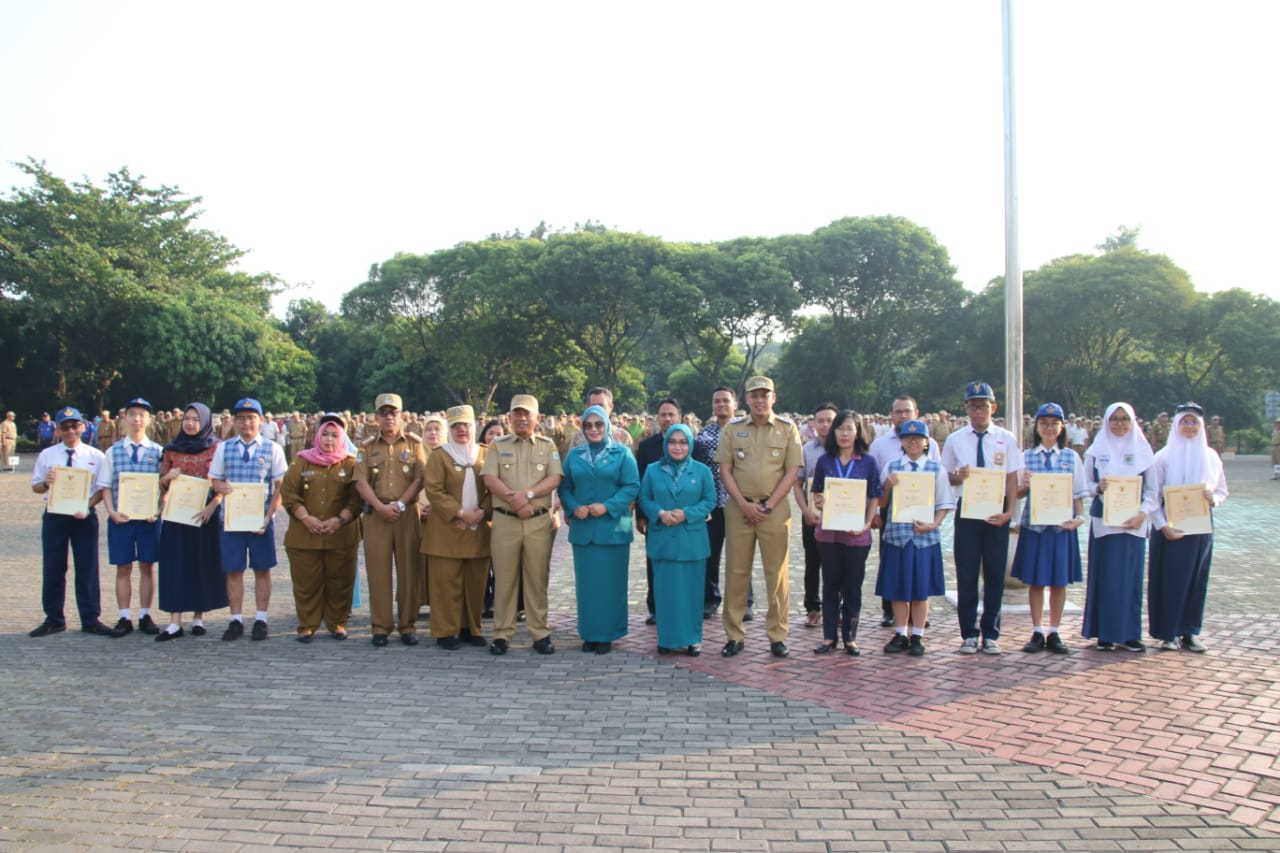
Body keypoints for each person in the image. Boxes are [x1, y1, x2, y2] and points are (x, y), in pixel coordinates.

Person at [716, 376, 803, 659]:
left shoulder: (787, 429)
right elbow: (725, 470)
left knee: (776, 574)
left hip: (774, 510)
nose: (760, 400)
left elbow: (792, 472)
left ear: (773, 398)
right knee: (737, 572)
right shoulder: (733, 428)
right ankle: (734, 635)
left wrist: (767, 505)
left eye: (765, 395)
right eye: (754, 395)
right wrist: (744, 504)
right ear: (747, 400)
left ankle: (777, 635)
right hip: (739, 508)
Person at [941, 381, 1023, 654]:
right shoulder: (955, 439)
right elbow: (945, 477)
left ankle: (990, 633)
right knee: (966, 574)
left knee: (995, 574)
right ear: (966, 408)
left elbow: (1012, 478)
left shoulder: (1006, 438)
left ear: (993, 407)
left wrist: (1010, 512)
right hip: (968, 512)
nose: (978, 411)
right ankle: (968, 633)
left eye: (983, 406)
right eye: (973, 406)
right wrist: (957, 476)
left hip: (996, 511)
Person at [1143, 402, 1229, 652]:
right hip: (1170, 528)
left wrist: (1215, 499)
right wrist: (1162, 526)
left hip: (1200, 526)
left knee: (1196, 580)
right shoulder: (1163, 456)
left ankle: (1189, 631)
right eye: (1184, 421)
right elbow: (1153, 496)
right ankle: (1167, 631)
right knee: (1170, 579)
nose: (1189, 427)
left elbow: (1222, 490)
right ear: (1176, 424)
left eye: (1193, 422)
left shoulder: (1211, 457)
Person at [482, 394, 563, 655]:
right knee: (505, 579)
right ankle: (502, 634)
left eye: (528, 413)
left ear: (537, 418)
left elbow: (554, 478)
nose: (522, 418)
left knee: (536, 578)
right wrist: (516, 501)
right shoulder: (497, 445)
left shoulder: (547, 445)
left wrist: (526, 495)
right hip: (506, 521)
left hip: (537, 521)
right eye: (517, 413)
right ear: (509, 417)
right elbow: (490, 479)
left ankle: (539, 632)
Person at [559, 405, 639, 654]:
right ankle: (590, 633)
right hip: (584, 529)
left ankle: (608, 634)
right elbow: (564, 487)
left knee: (612, 584)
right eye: (589, 425)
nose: (593, 429)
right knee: (587, 585)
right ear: (582, 428)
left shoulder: (622, 453)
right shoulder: (575, 455)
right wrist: (573, 507)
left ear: (607, 426)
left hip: (613, 527)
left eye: (599, 424)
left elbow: (632, 486)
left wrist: (607, 506)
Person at [28, 407, 115, 637]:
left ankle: (90, 618)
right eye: (65, 427)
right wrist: (46, 483)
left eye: (74, 426)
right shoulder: (48, 455)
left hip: (83, 517)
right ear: (58, 429)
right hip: (55, 515)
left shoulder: (95, 456)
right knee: (54, 567)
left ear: (83, 427)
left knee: (87, 567)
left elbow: (102, 489)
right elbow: (35, 486)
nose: (70, 431)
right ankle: (54, 618)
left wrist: (87, 505)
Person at [208, 397, 288, 641]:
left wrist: (269, 515)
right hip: (232, 520)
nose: (246, 423)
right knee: (234, 570)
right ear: (234, 421)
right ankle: (236, 619)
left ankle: (261, 619)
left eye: (251, 418)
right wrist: (223, 487)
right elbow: (214, 480)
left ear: (261, 420)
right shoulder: (224, 447)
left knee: (262, 569)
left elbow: (279, 486)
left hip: (260, 521)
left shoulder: (272, 448)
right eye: (241, 418)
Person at [1011, 403, 1088, 654]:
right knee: (1035, 581)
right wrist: (1025, 484)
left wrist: (1080, 517)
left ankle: (1054, 630)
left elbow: (1078, 494)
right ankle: (1037, 629)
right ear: (1037, 427)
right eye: (1044, 423)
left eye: (1054, 423)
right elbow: (1019, 494)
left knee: (1058, 581)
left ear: (1062, 427)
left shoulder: (1071, 457)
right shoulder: (1027, 456)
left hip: (1061, 527)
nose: (1049, 428)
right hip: (1035, 527)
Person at [281, 412, 362, 642]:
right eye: (324, 434)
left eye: (334, 435)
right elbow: (289, 494)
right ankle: (307, 624)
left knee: (340, 579)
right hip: (305, 534)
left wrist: (339, 520)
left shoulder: (350, 463)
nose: (328, 440)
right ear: (317, 436)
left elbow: (356, 499)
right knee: (307, 581)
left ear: (342, 438)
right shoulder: (301, 461)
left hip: (341, 534)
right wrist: (306, 518)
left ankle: (337, 622)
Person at [354, 392, 426, 647]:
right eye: (383, 412)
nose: (388, 417)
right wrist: (380, 506)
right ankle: (381, 627)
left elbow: (420, 479)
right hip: (376, 515)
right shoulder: (367, 448)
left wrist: (400, 504)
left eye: (393, 412)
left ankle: (407, 625)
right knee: (378, 572)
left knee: (409, 572)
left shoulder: (415, 445)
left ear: (402, 415)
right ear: (376, 417)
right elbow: (361, 482)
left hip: (406, 513)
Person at [1081, 402, 1154, 652]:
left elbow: (1153, 491)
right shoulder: (1095, 452)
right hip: (1105, 524)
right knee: (1106, 577)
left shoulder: (1144, 453)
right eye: (1115, 419)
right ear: (1106, 421)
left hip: (1133, 525)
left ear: (1133, 422)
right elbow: (1084, 485)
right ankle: (1104, 632)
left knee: (1129, 580)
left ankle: (1130, 633)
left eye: (1124, 419)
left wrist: (1143, 514)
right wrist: (1097, 488)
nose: (1120, 424)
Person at [638, 423, 716, 656]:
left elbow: (709, 501)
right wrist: (659, 514)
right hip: (663, 538)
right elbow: (644, 498)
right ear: (665, 443)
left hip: (691, 540)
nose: (677, 446)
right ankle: (668, 639)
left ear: (690, 444)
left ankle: (693, 639)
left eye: (683, 442)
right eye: (673, 442)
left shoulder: (702, 471)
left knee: (691, 593)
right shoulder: (653, 470)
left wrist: (687, 513)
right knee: (665, 592)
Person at [808, 410, 882, 655]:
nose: (844, 433)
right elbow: (817, 491)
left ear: (858, 432)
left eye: (850, 428)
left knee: (853, 586)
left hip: (856, 534)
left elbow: (874, 496)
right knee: (830, 585)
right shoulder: (825, 461)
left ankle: (850, 637)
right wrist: (818, 502)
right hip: (828, 533)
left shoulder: (868, 462)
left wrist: (867, 522)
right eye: (840, 428)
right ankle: (829, 637)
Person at [878, 419, 953, 656]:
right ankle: (901, 633)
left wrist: (934, 523)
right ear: (901, 441)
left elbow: (945, 503)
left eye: (918, 438)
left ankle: (918, 635)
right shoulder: (891, 467)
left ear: (926, 442)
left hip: (924, 537)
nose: (913, 442)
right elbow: (880, 503)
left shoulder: (935, 469)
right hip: (896, 536)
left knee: (921, 589)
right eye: (908, 438)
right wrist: (887, 487)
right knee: (898, 588)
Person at [155, 403, 228, 640]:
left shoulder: (217, 448)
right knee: (175, 566)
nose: (190, 423)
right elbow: (161, 483)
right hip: (177, 517)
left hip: (205, 516)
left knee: (201, 564)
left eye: (196, 419)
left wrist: (212, 505)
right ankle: (175, 621)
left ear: (205, 421)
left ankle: (199, 618)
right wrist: (167, 477)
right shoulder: (171, 449)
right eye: (186, 418)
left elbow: (222, 483)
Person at [422, 405, 492, 650]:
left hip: (478, 529)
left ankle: (471, 628)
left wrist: (481, 512)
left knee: (475, 584)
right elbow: (434, 490)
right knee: (446, 583)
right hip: (446, 530)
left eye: (466, 425)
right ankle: (445, 631)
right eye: (456, 426)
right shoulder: (440, 455)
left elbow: (494, 487)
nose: (462, 430)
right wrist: (460, 513)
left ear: (474, 427)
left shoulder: (485, 454)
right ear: (449, 429)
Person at [867, 395, 940, 627]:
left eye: (907, 411)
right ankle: (890, 611)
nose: (902, 415)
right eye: (898, 411)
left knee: (919, 564)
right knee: (892, 562)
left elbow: (937, 481)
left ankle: (918, 615)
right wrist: (876, 511)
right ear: (891, 415)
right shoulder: (879, 444)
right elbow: (874, 480)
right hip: (890, 511)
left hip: (922, 511)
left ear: (916, 413)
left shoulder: (932, 445)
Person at [97, 397, 164, 637]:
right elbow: (105, 486)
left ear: (149, 419)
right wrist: (112, 512)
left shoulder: (158, 452)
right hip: (121, 519)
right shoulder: (113, 452)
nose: (137, 419)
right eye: (132, 414)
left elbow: (164, 487)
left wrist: (157, 510)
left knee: (148, 567)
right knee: (123, 568)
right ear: (124, 418)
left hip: (148, 520)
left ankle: (146, 614)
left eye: (142, 415)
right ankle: (124, 616)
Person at [695, 386, 754, 620]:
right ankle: (710, 599)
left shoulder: (747, 432)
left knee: (741, 554)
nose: (721, 405)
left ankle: (744, 601)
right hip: (712, 504)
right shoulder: (703, 435)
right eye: (717, 401)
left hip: (739, 502)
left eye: (725, 401)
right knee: (710, 554)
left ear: (735, 404)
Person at [634, 398, 687, 625]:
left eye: (671, 415)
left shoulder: (689, 444)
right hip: (655, 515)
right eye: (663, 415)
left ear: (680, 418)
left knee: (681, 563)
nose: (667, 419)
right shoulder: (647, 447)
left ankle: (682, 606)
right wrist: (642, 515)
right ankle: (655, 607)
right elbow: (639, 484)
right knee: (654, 561)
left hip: (683, 517)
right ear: (657, 419)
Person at [793, 402, 838, 629]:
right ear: (813, 424)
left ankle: (837, 608)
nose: (825, 425)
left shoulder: (846, 450)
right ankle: (813, 607)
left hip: (841, 517)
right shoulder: (807, 450)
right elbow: (798, 484)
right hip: (813, 515)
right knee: (813, 562)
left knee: (839, 564)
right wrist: (805, 511)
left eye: (830, 420)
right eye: (820, 420)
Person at [568, 386, 634, 449]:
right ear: (588, 407)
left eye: (601, 405)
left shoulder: (623, 437)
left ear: (611, 407)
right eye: (594, 405)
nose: (597, 409)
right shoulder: (578, 437)